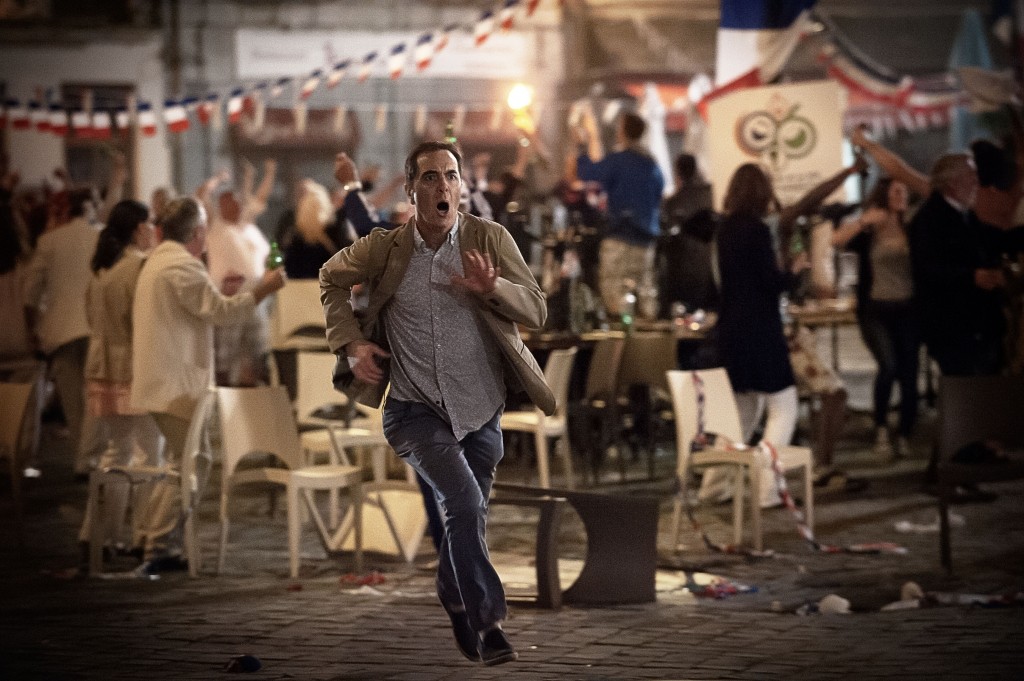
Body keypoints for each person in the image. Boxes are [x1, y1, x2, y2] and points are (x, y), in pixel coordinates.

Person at [320, 140, 554, 666]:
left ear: (461, 186)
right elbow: (330, 279)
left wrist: (493, 289)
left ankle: (452, 591)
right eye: (430, 177)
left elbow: (536, 309)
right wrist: (352, 342)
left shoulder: (489, 239)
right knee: (464, 504)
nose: (442, 186)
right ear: (411, 190)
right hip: (414, 410)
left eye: (451, 176)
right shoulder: (385, 248)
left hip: (480, 408)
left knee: (469, 516)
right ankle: (489, 623)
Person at [130, 196, 285, 570]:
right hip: (175, 384)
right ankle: (157, 547)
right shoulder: (181, 266)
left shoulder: (158, 261)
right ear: (198, 232)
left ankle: (150, 539)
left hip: (162, 380)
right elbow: (220, 313)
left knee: (179, 463)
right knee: (192, 465)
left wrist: (226, 295)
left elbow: (202, 309)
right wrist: (264, 289)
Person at [706, 163, 808, 508]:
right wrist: (793, 271)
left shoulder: (723, 230)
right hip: (760, 330)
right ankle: (767, 488)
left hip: (731, 330)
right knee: (783, 406)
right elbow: (769, 283)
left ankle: (714, 485)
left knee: (741, 412)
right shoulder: (758, 231)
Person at [78, 199, 164, 556]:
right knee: (149, 455)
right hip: (134, 369)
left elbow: (90, 317)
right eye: (150, 223)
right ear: (139, 228)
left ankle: (97, 536)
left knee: (117, 452)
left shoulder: (102, 269)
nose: (153, 230)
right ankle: (145, 535)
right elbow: (146, 321)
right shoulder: (138, 267)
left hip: (103, 368)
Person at [833, 178, 919, 460]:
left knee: (909, 373)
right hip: (876, 310)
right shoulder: (870, 231)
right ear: (885, 195)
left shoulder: (912, 228)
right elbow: (837, 241)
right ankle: (881, 428)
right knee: (888, 365)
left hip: (907, 308)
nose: (902, 194)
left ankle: (905, 433)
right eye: (896, 190)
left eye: (904, 190)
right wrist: (863, 221)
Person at [574, 108, 665, 319]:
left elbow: (588, 173)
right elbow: (659, 194)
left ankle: (622, 329)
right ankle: (646, 328)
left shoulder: (619, 160)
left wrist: (581, 147)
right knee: (644, 290)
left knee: (614, 289)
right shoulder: (651, 163)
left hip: (620, 235)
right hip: (646, 238)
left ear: (623, 132)